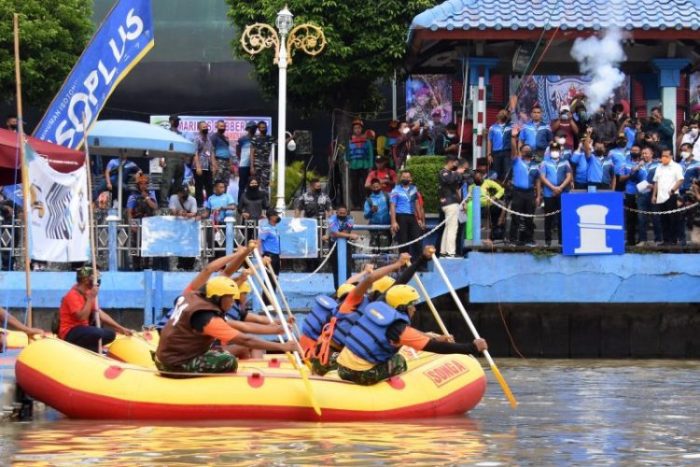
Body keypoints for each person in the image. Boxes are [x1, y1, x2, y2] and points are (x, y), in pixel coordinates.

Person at [336, 284, 487, 385]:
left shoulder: (373, 310)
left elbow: (420, 338)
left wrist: (432, 336)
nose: (414, 309)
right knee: (399, 361)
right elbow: (437, 348)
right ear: (403, 307)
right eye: (412, 305)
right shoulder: (398, 329)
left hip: (341, 369)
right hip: (361, 375)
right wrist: (472, 347)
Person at [155, 276, 298, 374]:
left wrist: (276, 330)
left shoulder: (194, 298)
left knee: (221, 354)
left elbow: (244, 328)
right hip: (175, 364)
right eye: (229, 298)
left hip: (169, 356)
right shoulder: (206, 317)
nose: (232, 302)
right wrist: (282, 347)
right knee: (227, 360)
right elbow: (245, 339)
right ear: (218, 298)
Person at [59, 267, 132, 352]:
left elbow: (100, 314)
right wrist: (90, 298)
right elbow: (81, 317)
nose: (97, 281)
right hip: (70, 332)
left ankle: (91, 349)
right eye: (94, 278)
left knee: (110, 334)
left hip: (84, 330)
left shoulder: (87, 293)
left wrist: (121, 328)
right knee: (96, 333)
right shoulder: (72, 295)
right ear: (85, 280)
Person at [539, 142, 572, 246]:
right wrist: (554, 188)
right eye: (553, 150)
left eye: (556, 150)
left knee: (562, 218)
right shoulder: (544, 163)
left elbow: (569, 176)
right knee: (548, 218)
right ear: (549, 151)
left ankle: (562, 241)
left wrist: (560, 188)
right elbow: (542, 178)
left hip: (562, 193)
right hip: (549, 194)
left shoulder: (565, 162)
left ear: (560, 151)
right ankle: (547, 241)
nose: (554, 152)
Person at [126, 174, 161, 271]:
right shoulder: (133, 196)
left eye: (145, 183)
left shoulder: (151, 194)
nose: (143, 185)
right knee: (136, 246)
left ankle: (146, 266)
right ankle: (136, 267)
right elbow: (129, 211)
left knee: (148, 246)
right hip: (137, 223)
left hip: (149, 224)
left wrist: (146, 197)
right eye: (141, 183)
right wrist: (132, 224)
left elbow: (155, 207)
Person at [508, 143, 540, 246]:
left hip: (530, 193)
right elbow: (513, 150)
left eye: (529, 149)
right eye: (525, 150)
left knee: (529, 218)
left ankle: (529, 239)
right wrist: (513, 139)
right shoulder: (517, 161)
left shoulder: (536, 165)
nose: (527, 151)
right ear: (521, 152)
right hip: (517, 192)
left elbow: (538, 181)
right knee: (516, 217)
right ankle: (512, 239)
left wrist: (538, 196)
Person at [652, 148, 685, 245]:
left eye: (666, 156)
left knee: (673, 219)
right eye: (662, 156)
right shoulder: (659, 167)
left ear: (671, 156)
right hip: (660, 197)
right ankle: (666, 240)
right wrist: (654, 195)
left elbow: (680, 180)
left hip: (671, 196)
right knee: (663, 219)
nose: (664, 158)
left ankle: (673, 240)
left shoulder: (676, 166)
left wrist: (673, 190)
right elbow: (656, 182)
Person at [390, 170, 424, 260]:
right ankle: (404, 265)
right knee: (403, 241)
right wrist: (393, 222)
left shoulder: (414, 189)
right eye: (404, 177)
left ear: (411, 179)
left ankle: (420, 265)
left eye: (408, 177)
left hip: (412, 216)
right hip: (400, 216)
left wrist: (419, 219)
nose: (406, 179)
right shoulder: (395, 190)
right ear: (400, 178)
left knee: (417, 240)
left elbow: (416, 204)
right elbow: (392, 206)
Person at [438, 154, 466, 257]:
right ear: (450, 161)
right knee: (452, 228)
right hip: (449, 204)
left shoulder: (450, 173)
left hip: (451, 203)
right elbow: (449, 179)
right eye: (455, 162)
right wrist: (458, 173)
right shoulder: (443, 172)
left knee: (448, 227)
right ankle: (450, 253)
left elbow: (457, 185)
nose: (456, 165)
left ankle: (444, 251)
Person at [617, 149, 646, 245]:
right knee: (630, 218)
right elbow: (621, 178)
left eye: (637, 150)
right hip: (630, 193)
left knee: (642, 218)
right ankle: (630, 240)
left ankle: (642, 240)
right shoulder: (624, 164)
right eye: (632, 150)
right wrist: (631, 173)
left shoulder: (646, 164)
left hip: (644, 193)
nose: (634, 151)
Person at [327, 205, 359, 289]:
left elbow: (344, 232)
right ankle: (337, 289)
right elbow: (335, 233)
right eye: (340, 213)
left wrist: (343, 234)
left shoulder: (350, 219)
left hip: (346, 245)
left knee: (348, 267)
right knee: (335, 268)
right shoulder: (331, 219)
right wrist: (350, 235)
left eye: (344, 213)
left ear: (347, 213)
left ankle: (348, 289)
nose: (342, 214)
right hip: (334, 245)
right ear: (336, 212)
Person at [203, 180, 237, 259]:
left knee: (223, 244)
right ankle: (212, 263)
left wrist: (222, 208)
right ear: (215, 188)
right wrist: (199, 216)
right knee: (212, 244)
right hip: (213, 225)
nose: (223, 189)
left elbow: (233, 207)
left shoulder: (228, 196)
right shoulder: (211, 198)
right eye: (221, 187)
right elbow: (207, 212)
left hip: (224, 224)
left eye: (224, 187)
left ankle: (223, 265)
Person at [168, 184, 198, 270]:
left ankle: (190, 265)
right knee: (180, 244)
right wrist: (179, 213)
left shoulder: (192, 200)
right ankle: (180, 264)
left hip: (189, 226)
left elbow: (194, 213)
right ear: (178, 193)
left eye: (186, 193)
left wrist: (185, 214)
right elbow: (172, 211)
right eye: (182, 193)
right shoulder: (173, 198)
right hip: (178, 226)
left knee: (189, 245)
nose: (184, 195)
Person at [637, 147, 662, 246]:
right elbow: (633, 177)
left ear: (652, 154)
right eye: (642, 153)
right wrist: (637, 167)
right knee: (641, 218)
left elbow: (662, 178)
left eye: (646, 153)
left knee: (656, 217)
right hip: (642, 194)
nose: (644, 155)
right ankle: (642, 240)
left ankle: (658, 240)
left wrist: (654, 186)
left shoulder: (658, 165)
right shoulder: (638, 165)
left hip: (654, 194)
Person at [346, 119, 374, 210]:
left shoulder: (367, 140)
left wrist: (370, 165)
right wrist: (346, 160)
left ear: (361, 129)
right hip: (353, 165)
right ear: (353, 129)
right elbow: (347, 153)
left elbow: (370, 153)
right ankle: (356, 204)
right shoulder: (350, 141)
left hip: (364, 165)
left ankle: (365, 203)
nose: (357, 130)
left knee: (365, 185)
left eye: (359, 128)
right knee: (354, 186)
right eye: (355, 128)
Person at [158, 115, 185, 207]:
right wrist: (161, 158)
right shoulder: (166, 133)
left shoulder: (180, 133)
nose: (177, 122)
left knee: (179, 182)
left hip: (180, 159)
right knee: (167, 181)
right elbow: (162, 146)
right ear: (171, 121)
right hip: (170, 158)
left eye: (178, 121)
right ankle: (163, 203)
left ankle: (174, 201)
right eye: (176, 121)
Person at [194, 121, 217, 205]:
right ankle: (199, 205)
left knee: (209, 187)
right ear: (199, 128)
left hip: (207, 167)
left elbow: (210, 153)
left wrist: (214, 165)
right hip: (199, 166)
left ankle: (210, 206)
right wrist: (198, 166)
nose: (206, 128)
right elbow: (195, 153)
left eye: (206, 127)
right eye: (203, 127)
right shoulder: (197, 139)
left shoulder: (208, 139)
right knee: (199, 187)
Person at [363, 178, 391, 249]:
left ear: (380, 186)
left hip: (386, 228)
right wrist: (371, 211)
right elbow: (366, 216)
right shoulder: (368, 200)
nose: (376, 188)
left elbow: (394, 208)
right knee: (374, 251)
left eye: (377, 186)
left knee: (386, 250)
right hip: (373, 229)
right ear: (371, 187)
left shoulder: (387, 196)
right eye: (374, 187)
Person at [250, 120, 274, 197]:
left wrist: (291, 138)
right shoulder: (255, 138)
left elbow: (281, 143)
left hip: (266, 164)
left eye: (265, 127)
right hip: (257, 163)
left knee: (265, 184)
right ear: (259, 129)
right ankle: (257, 201)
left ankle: (265, 202)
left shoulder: (269, 138)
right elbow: (251, 152)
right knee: (256, 183)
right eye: (262, 128)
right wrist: (252, 166)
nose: (263, 129)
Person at [487, 110, 513, 181]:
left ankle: (506, 189)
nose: (503, 114)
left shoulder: (510, 126)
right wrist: (489, 154)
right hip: (496, 153)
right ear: (498, 115)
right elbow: (489, 141)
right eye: (501, 113)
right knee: (496, 172)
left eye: (504, 113)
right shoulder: (492, 127)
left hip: (507, 152)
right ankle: (496, 188)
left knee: (507, 171)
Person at [236, 120, 257, 205]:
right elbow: (238, 151)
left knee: (253, 185)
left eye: (254, 128)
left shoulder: (257, 139)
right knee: (242, 186)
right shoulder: (242, 139)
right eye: (251, 128)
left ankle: (251, 202)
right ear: (247, 129)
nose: (253, 129)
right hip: (244, 165)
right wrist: (243, 159)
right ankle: (240, 204)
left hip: (255, 166)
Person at [210, 120, 235, 187]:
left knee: (225, 183)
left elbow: (227, 151)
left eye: (224, 126)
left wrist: (230, 164)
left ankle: (224, 197)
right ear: (216, 126)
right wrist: (214, 164)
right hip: (218, 161)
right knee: (217, 182)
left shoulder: (226, 138)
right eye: (221, 126)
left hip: (227, 162)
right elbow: (211, 151)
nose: (222, 128)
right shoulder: (213, 137)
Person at [259, 209, 282, 280]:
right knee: (269, 278)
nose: (278, 217)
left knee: (275, 277)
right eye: (276, 215)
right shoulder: (266, 228)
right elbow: (259, 241)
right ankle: (266, 291)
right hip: (269, 256)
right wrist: (260, 256)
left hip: (276, 255)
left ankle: (273, 291)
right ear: (271, 217)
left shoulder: (274, 228)